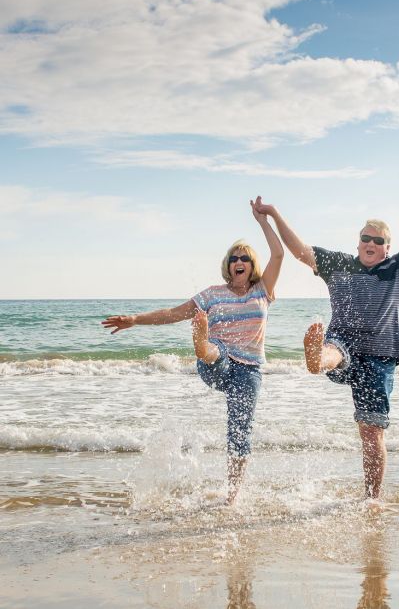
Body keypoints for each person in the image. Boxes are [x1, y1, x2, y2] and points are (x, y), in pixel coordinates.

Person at [254, 162, 399, 499]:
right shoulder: (340, 265)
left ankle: (372, 499)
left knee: (371, 433)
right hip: (343, 343)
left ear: (386, 247)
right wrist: (274, 215)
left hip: (379, 358)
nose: (370, 243)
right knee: (335, 349)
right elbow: (300, 252)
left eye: (377, 240)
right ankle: (316, 358)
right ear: (358, 244)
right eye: (364, 238)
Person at [101, 197, 284, 504]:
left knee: (240, 431)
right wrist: (135, 320)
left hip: (249, 371)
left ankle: (232, 496)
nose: (239, 262)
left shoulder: (262, 290)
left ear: (252, 265)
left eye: (245, 258)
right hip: (218, 361)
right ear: (227, 265)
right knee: (216, 352)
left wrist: (264, 219)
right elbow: (173, 313)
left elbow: (278, 253)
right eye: (234, 258)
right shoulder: (211, 294)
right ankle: (202, 345)